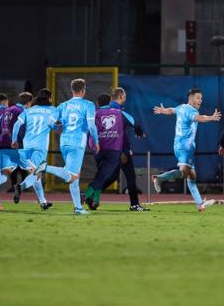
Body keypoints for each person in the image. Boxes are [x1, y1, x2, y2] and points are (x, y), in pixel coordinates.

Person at [152, 88, 221, 212]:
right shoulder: (190, 110)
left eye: (201, 98)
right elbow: (199, 118)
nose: (200, 101)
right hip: (184, 147)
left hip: (182, 146)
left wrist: (162, 110)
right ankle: (159, 178)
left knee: (192, 176)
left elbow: (171, 110)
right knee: (184, 173)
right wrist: (211, 117)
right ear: (190, 98)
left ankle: (200, 204)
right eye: (198, 98)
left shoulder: (181, 107)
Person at [38, 79, 99, 215]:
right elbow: (91, 126)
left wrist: (57, 127)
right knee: (72, 176)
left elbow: (50, 122)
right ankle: (45, 167)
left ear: (72, 90)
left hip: (64, 142)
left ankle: (78, 207)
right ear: (83, 90)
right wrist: (96, 141)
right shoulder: (88, 105)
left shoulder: (63, 105)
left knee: (74, 175)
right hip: (77, 143)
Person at [84, 90, 146, 211]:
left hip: (101, 149)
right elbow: (135, 124)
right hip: (119, 151)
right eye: (125, 96)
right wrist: (139, 134)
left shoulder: (97, 112)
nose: (125, 99)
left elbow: (91, 131)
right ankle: (134, 204)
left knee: (109, 176)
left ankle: (92, 196)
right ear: (121, 97)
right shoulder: (118, 112)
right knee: (130, 177)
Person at [11, 89, 57, 211]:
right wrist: (57, 126)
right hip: (40, 147)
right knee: (38, 173)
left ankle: (43, 202)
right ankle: (20, 187)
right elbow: (53, 125)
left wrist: (14, 140)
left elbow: (16, 125)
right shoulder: (52, 110)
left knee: (35, 174)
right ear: (49, 99)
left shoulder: (28, 110)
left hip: (27, 146)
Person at [0, 92, 33, 204]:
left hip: (3, 143)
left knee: (12, 167)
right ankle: (23, 187)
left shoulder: (7, 109)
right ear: (28, 103)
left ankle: (13, 186)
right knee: (32, 169)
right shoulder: (22, 111)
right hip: (16, 143)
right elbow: (19, 126)